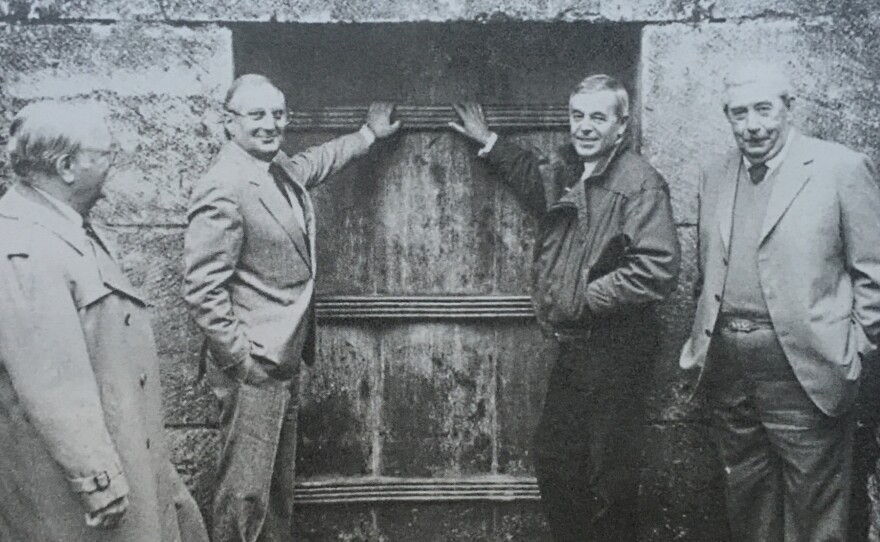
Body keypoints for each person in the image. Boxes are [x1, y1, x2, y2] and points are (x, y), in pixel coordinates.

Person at [450, 74, 680, 541]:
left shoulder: (640, 184)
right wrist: (490, 143)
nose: (585, 127)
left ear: (622, 125)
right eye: (578, 116)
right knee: (556, 459)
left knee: (610, 475)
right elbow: (537, 183)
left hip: (619, 346)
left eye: (598, 117)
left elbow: (657, 268)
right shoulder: (578, 171)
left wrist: (584, 298)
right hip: (580, 348)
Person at [183, 74, 400, 542]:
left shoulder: (273, 167)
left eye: (278, 114)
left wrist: (366, 136)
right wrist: (243, 362)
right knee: (245, 495)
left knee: (275, 492)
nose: (270, 124)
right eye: (256, 115)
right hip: (256, 364)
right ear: (229, 123)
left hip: (282, 357)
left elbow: (312, 164)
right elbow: (203, 289)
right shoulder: (224, 185)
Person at [679, 61, 880, 541]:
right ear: (727, 117)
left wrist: (853, 351)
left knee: (816, 509)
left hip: (807, 368)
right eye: (739, 113)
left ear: (789, 109)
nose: (752, 125)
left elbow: (873, 271)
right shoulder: (715, 173)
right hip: (729, 370)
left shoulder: (840, 168)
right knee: (748, 503)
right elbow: (709, 273)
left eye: (764, 110)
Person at [0, 101, 209, 542]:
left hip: (125, 454)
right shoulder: (24, 247)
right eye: (106, 153)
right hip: (76, 492)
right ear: (67, 166)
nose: (113, 164)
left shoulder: (65, 226)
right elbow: (50, 384)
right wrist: (97, 479)